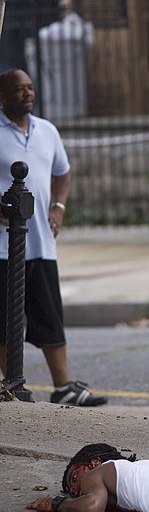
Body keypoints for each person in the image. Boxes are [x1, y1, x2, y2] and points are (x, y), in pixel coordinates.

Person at [0, 69, 107, 406]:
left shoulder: (47, 130)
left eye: (30, 88)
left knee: (49, 314)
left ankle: (64, 387)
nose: (27, 94)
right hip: (2, 246)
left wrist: (58, 208)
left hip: (41, 243)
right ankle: (8, 385)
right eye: (19, 89)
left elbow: (63, 172)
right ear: (3, 96)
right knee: (5, 318)